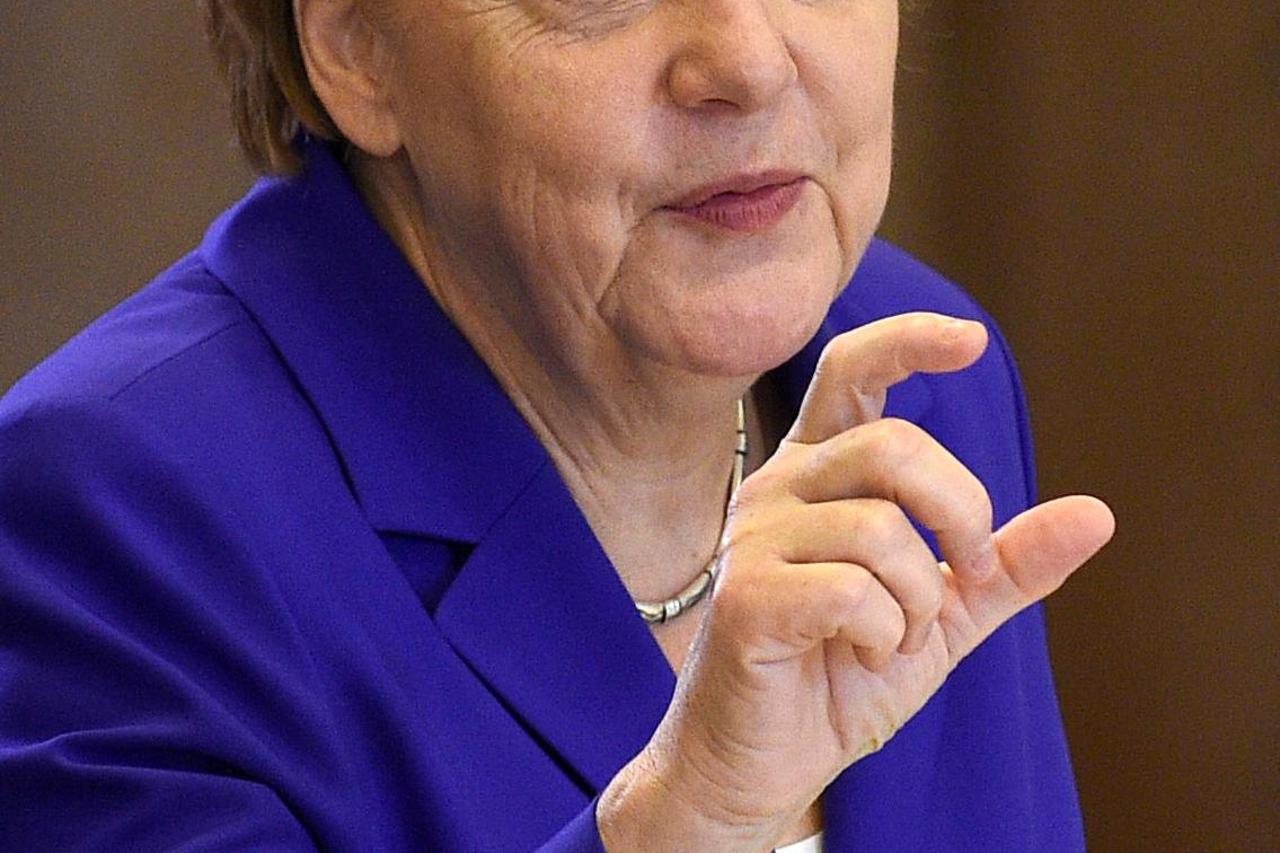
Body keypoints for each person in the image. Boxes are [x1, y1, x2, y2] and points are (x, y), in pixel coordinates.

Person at [0, 1, 1114, 850]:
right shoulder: (106, 511)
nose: (747, 59)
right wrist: (689, 819)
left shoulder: (918, 374)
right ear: (354, 47)